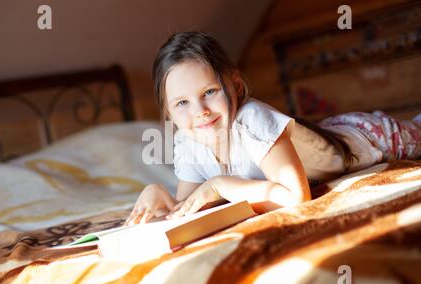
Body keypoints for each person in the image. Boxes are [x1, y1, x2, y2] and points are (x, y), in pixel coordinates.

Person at [124, 31, 421, 226]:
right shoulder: (186, 144)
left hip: (368, 138)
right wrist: (161, 196)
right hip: (323, 136)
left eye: (210, 92)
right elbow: (194, 207)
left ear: (235, 86)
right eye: (182, 103)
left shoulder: (253, 119)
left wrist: (220, 184)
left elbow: (295, 197)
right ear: (168, 113)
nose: (199, 112)